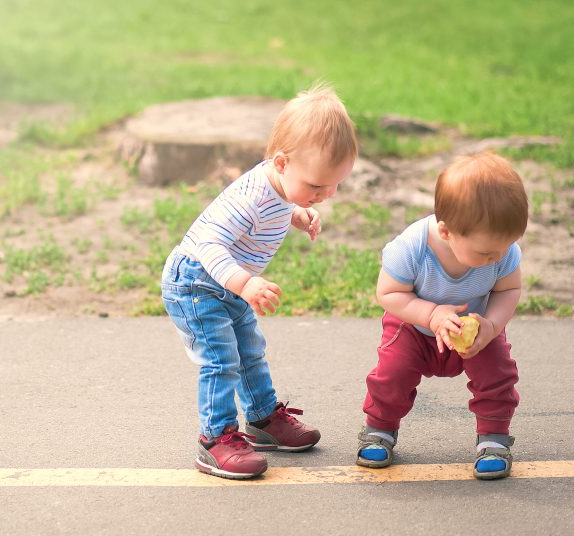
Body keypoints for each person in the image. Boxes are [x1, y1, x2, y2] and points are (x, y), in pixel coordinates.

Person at [162, 83, 357, 479]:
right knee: (221, 360)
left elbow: (278, 205)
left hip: (227, 283)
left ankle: (262, 419)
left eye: (334, 184)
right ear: (282, 163)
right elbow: (208, 244)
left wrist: (296, 213)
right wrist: (246, 284)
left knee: (250, 349)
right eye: (316, 186)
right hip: (197, 284)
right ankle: (214, 439)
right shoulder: (249, 197)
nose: (326, 194)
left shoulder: (282, 186)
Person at [356, 151, 528, 480]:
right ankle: (380, 429)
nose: (497, 257)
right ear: (447, 232)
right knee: (391, 375)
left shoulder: (501, 252)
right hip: (414, 328)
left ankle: (493, 437)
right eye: (486, 252)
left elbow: (508, 291)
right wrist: (432, 314)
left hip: (476, 328)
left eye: (505, 247)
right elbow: (389, 293)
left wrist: (491, 326)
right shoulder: (412, 248)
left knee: (498, 375)